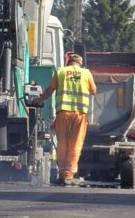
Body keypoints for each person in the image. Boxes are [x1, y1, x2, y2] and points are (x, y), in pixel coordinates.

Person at [33, 52, 97, 186]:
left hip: (63, 113)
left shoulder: (61, 71)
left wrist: (39, 99)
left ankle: (62, 174)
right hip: (80, 114)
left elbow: (50, 89)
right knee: (75, 144)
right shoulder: (86, 73)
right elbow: (94, 91)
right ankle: (68, 174)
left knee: (62, 143)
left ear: (68, 62)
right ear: (80, 63)